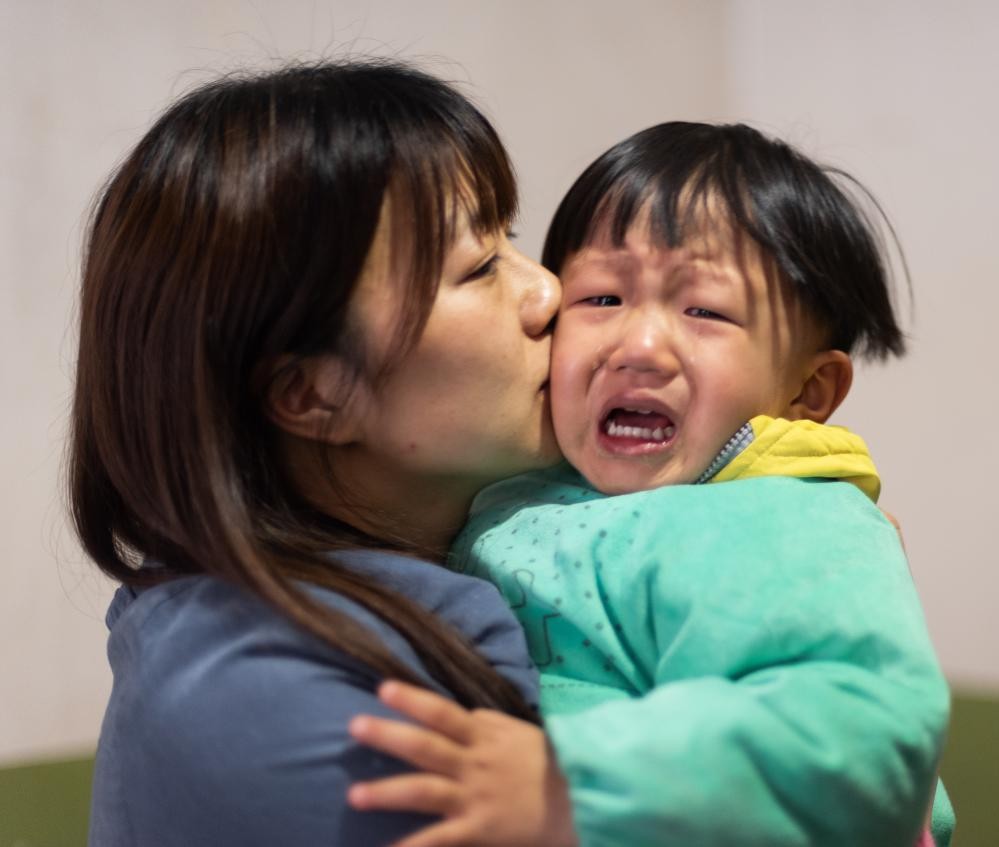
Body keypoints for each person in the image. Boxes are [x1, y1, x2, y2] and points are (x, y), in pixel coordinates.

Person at [348, 123, 953, 846]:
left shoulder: (790, 519)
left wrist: (571, 785)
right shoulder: (519, 479)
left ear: (808, 390)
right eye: (601, 297)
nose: (636, 347)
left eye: (704, 311)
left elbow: (861, 732)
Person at [72, 61, 576, 846]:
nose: (547, 291)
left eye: (508, 239)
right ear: (310, 395)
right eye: (478, 267)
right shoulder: (252, 698)